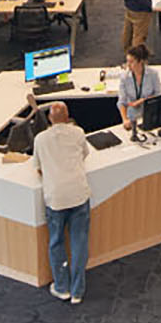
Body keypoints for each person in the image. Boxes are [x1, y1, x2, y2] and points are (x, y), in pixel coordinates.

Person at [34, 99, 94, 302]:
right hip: (79, 194)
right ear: (68, 118)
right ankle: (78, 291)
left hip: (56, 198)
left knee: (57, 241)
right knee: (79, 241)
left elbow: (38, 167)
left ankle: (62, 287)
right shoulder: (78, 133)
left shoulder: (40, 139)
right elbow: (85, 154)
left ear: (50, 119)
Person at [116, 42, 161, 131]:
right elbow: (122, 101)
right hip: (132, 117)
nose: (128, 65)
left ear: (140, 61)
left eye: (131, 62)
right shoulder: (124, 77)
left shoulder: (153, 74)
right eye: (127, 61)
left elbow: (159, 95)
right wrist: (125, 119)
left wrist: (143, 100)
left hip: (150, 114)